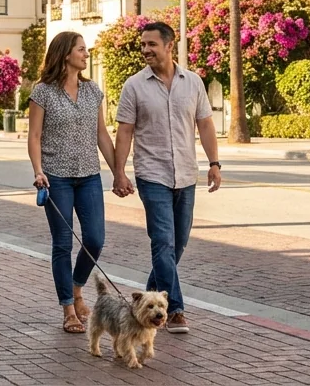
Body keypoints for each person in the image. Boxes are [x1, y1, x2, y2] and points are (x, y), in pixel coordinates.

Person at [111, 21, 221, 335]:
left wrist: (215, 163)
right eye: (142, 44)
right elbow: (125, 132)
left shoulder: (194, 82)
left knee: (178, 244)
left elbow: (206, 125)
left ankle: (143, 303)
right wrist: (120, 172)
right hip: (152, 174)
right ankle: (174, 310)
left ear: (169, 45)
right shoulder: (134, 86)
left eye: (151, 44)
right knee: (162, 243)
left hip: (186, 174)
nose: (145, 50)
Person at [28, 31, 121, 334]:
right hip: (55, 178)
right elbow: (35, 136)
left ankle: (77, 287)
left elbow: (102, 135)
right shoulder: (43, 91)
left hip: (89, 175)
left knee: (94, 239)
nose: (87, 54)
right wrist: (38, 170)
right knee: (63, 243)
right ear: (66, 53)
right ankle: (68, 308)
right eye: (82, 49)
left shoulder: (93, 90)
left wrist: (118, 171)